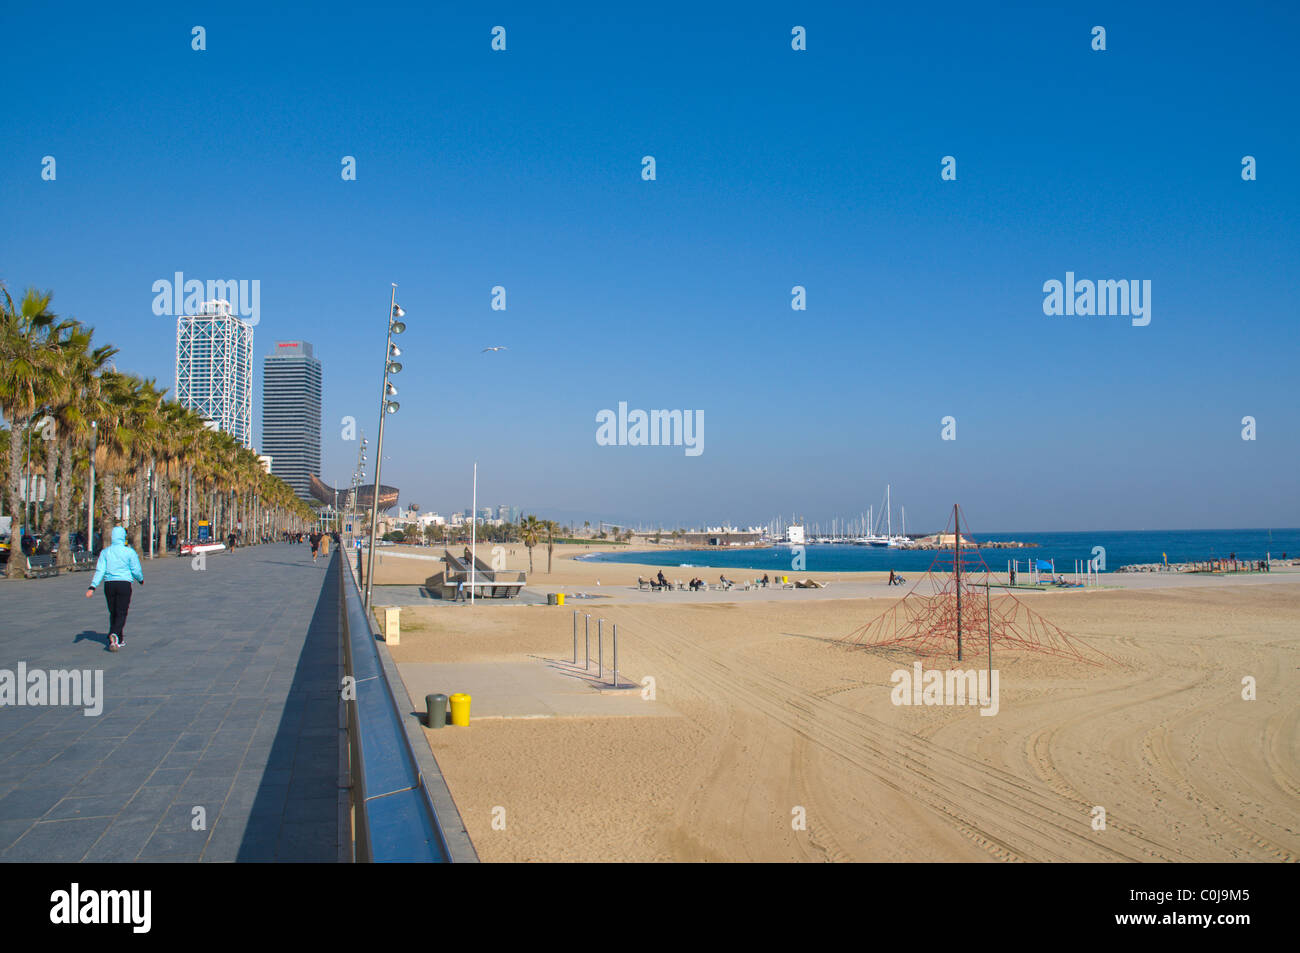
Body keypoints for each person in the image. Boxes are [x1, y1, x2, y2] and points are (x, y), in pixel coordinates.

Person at [85, 526, 144, 652]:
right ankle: (115, 634)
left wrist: (93, 586)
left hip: (109, 585)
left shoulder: (106, 552)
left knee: (113, 612)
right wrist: (140, 579)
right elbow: (136, 569)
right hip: (124, 584)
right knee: (122, 612)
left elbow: (100, 570)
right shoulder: (129, 552)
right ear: (123, 537)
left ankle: (118, 640)